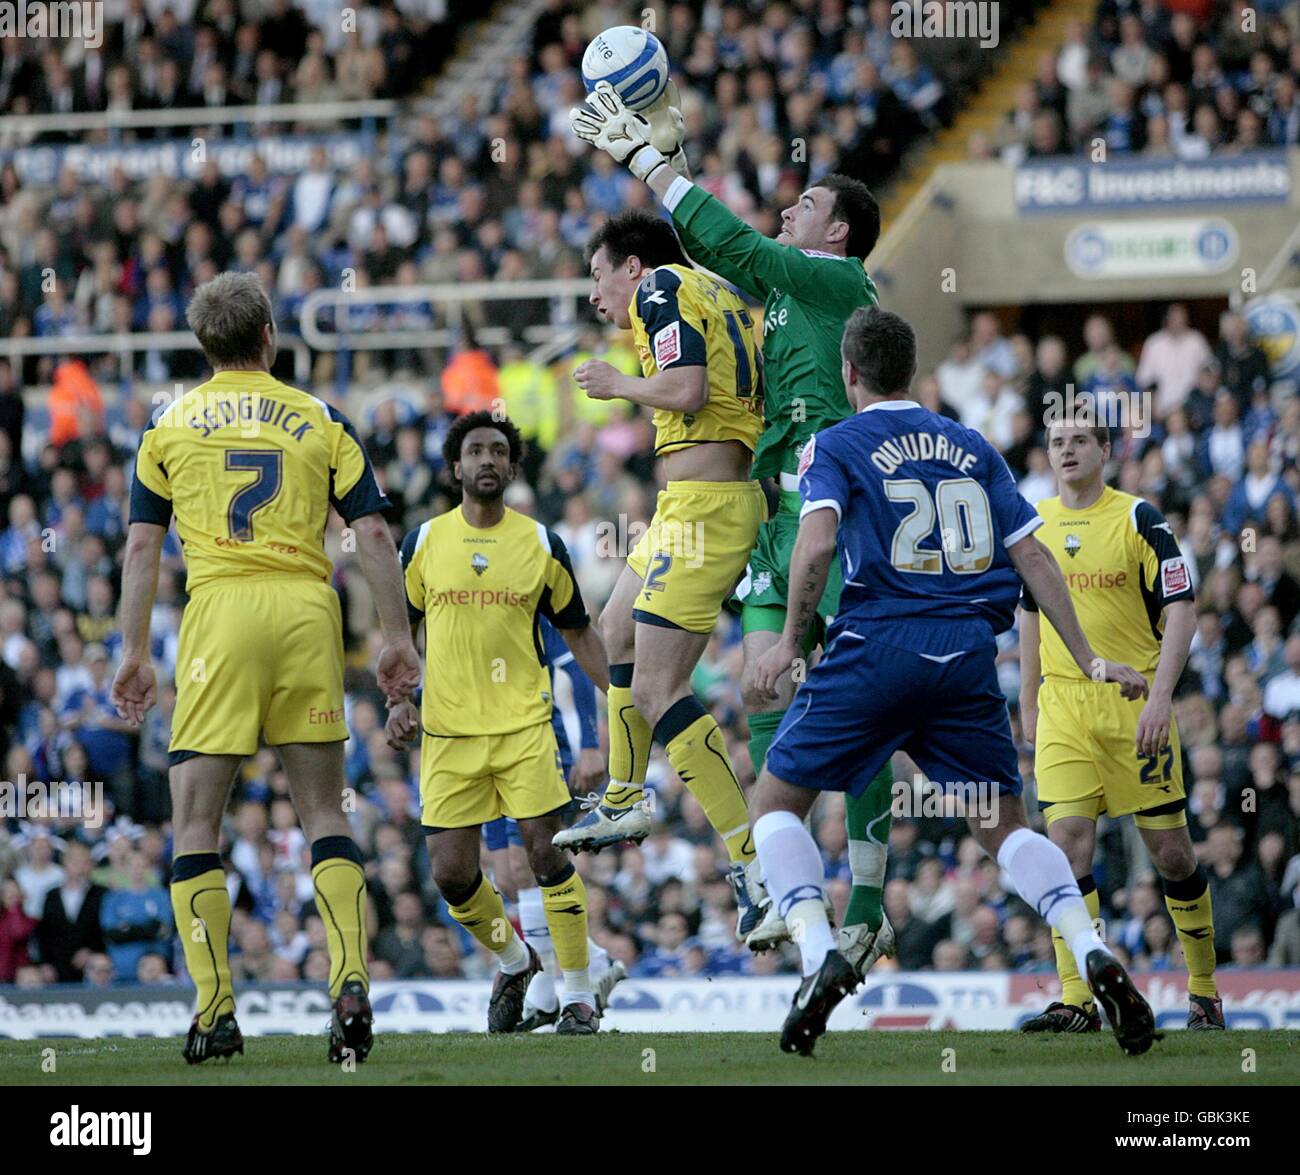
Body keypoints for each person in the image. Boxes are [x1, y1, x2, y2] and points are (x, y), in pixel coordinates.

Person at [746, 307, 1155, 1058]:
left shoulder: (835, 441)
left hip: (876, 645)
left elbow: (817, 543)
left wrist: (785, 641)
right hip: (966, 654)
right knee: (1003, 826)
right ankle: (1091, 946)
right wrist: (1091, 656)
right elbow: (1035, 559)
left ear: (850, 374)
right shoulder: (972, 445)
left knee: (774, 802)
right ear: (911, 369)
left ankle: (814, 957)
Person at [568, 81, 897, 972]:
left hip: (809, 502)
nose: (793, 206)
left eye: (811, 203)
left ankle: (840, 888)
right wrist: (665, 156)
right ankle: (709, 836)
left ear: (837, 233)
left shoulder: (830, 276)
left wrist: (644, 164)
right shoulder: (753, 289)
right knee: (742, 679)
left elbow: (719, 271)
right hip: (761, 499)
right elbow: (724, 249)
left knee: (838, 693)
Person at [112, 271, 421, 1065]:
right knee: (325, 813)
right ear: (270, 336)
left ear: (204, 343)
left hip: (219, 611)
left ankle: (215, 1011)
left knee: (194, 824)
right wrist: (394, 637)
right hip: (307, 609)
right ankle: (349, 979)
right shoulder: (320, 416)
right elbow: (376, 535)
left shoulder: (168, 424)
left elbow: (143, 545)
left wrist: (134, 651)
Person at [550, 210, 770, 940]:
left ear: (633, 266)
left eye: (597, 273)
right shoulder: (715, 289)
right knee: (613, 629)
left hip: (707, 508)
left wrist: (618, 384)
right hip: (688, 503)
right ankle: (622, 791)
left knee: (657, 684)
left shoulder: (663, 288)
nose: (594, 294)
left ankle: (752, 868)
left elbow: (686, 392)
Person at [384, 411, 613, 1035]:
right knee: (452, 874)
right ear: (454, 468)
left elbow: (577, 630)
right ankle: (516, 961)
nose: (487, 460)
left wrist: (621, 696)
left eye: (498, 452)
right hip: (448, 734)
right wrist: (398, 701)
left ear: (512, 468)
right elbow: (400, 636)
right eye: (475, 451)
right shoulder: (423, 542)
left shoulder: (541, 543)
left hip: (524, 729)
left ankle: (576, 996)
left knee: (545, 856)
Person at [1018, 419, 1222, 1033]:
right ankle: (1078, 999)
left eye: (1080, 441)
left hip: (1134, 705)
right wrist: (1029, 701)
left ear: (1106, 451)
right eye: (1057, 442)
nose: (1067, 451)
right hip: (1063, 706)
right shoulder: (1035, 522)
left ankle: (1205, 991)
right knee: (1067, 846)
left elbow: (1182, 609)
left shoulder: (1139, 518)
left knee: (1171, 853)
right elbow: (1028, 613)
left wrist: (1162, 697)